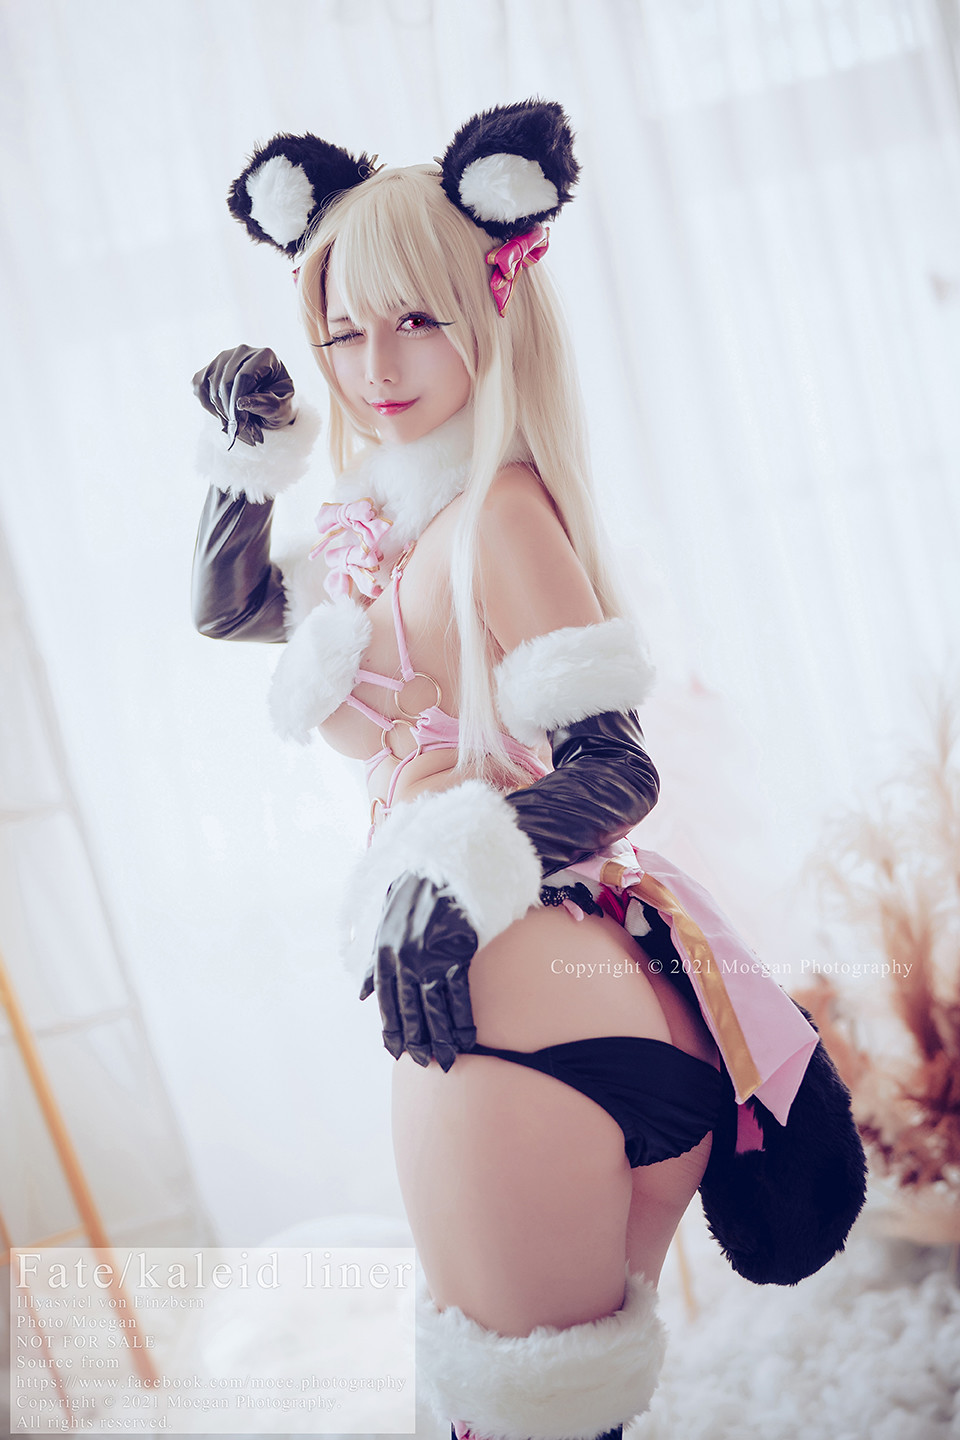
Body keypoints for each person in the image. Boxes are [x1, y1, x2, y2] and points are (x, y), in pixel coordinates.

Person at [191, 103, 827, 1440]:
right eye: (341, 333)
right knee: (528, 1412)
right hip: (533, 1003)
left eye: (414, 320)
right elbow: (230, 608)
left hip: (521, 998)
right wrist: (246, 457)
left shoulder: (498, 518)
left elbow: (615, 767)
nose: (373, 367)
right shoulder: (379, 529)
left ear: (493, 307)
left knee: (516, 1418)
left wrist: (445, 879)